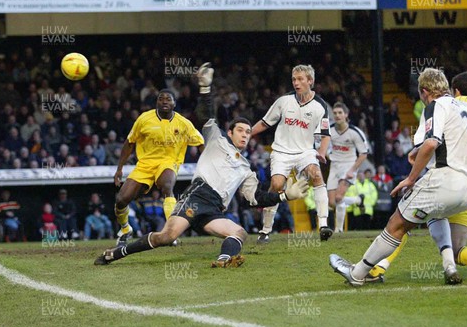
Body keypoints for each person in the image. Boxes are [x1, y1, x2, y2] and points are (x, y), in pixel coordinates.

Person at [95, 63, 309, 267]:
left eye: (248, 132)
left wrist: (285, 195)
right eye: (241, 131)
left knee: (239, 233)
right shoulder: (217, 139)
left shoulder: (246, 170)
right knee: (166, 237)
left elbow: (256, 199)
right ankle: (116, 253)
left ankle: (224, 260)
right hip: (196, 198)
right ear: (230, 132)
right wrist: (205, 88)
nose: (245, 135)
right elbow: (206, 114)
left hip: (213, 209)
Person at [330, 68, 467, 286]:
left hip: (449, 179)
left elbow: (432, 142)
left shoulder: (435, 105)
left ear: (424, 91)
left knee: (397, 222)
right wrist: (420, 150)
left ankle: (357, 273)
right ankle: (449, 265)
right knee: (435, 212)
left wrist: (411, 178)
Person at [250, 64, 332, 242]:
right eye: (294, 79)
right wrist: (248, 133)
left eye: (301, 79)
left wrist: (322, 152)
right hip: (281, 151)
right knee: (277, 184)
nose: (296, 82)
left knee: (317, 175)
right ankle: (265, 230)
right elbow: (265, 122)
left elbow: (325, 134)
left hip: (305, 152)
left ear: (310, 81)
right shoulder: (283, 101)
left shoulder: (320, 106)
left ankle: (323, 225)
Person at [113, 86, 204, 245]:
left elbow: (201, 143)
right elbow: (129, 142)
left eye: (168, 99)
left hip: (169, 162)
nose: (164, 101)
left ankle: (171, 232)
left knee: (167, 186)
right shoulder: (144, 119)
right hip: (145, 164)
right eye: (161, 98)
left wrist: (207, 165)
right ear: (156, 102)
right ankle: (126, 229)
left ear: (174, 103)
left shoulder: (184, 123)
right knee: (121, 199)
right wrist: (119, 168)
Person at [327, 102, 369, 234]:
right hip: (334, 166)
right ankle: (357, 200)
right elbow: (320, 145)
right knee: (332, 202)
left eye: (340, 113)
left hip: (348, 166)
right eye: (335, 113)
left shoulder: (355, 132)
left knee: (339, 198)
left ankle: (338, 230)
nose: (337, 116)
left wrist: (352, 170)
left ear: (346, 114)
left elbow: (364, 153)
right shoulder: (329, 130)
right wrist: (328, 155)